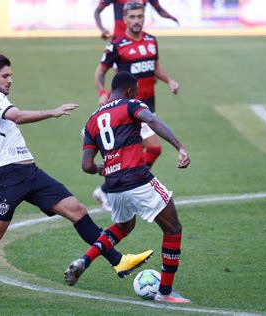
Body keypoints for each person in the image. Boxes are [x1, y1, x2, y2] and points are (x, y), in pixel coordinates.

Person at [0, 54, 154, 295]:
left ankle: (119, 261)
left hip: (29, 172)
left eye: (10, 75)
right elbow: (18, 117)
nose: (10, 80)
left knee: (76, 210)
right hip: (8, 176)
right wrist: (52, 112)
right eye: (5, 76)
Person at [64, 71, 191, 304]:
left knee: (124, 225)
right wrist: (180, 147)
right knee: (173, 228)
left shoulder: (92, 119)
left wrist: (100, 169)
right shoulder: (131, 104)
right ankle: (165, 292)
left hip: (113, 185)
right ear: (131, 90)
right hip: (137, 178)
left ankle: (86, 259)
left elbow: (86, 165)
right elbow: (152, 120)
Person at [93, 0, 180, 211]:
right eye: (132, 17)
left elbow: (154, 67)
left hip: (147, 106)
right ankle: (118, 188)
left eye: (140, 16)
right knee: (154, 148)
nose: (136, 20)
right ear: (125, 20)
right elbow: (100, 72)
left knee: (132, 156)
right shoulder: (117, 45)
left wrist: (169, 80)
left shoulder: (151, 41)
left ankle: (108, 189)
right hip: (127, 110)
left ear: (144, 17)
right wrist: (102, 92)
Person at [94, 0, 178, 40]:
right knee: (120, 71)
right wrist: (102, 29)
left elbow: (159, 10)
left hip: (138, 36)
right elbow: (97, 12)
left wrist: (170, 17)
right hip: (119, 36)